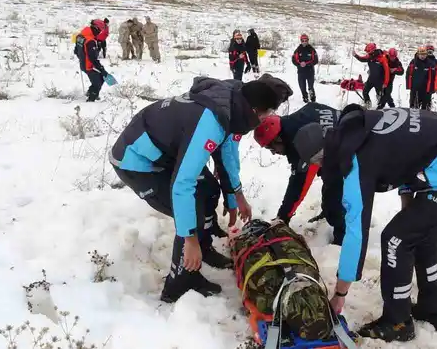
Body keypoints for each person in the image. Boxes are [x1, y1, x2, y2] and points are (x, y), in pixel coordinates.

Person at [291, 105, 437, 342]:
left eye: (317, 164)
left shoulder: (356, 160)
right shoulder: (359, 130)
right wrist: (408, 208)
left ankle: (398, 322)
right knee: (419, 233)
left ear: (322, 155)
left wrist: (340, 294)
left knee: (395, 239)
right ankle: (431, 308)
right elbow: (406, 157)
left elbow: (356, 231)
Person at [110, 75, 289, 303]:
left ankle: (203, 250)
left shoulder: (231, 105)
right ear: (253, 111)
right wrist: (190, 238)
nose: (263, 121)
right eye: (264, 116)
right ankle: (179, 283)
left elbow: (227, 155)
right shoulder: (211, 123)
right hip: (136, 160)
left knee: (209, 189)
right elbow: (182, 184)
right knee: (190, 210)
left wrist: (235, 197)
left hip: (164, 153)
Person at [253, 103, 344, 244]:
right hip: (347, 134)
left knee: (335, 200)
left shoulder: (300, 142)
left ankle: (342, 238)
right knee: (327, 177)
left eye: (271, 147)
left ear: (278, 138)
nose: (273, 153)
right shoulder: (305, 112)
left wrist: (283, 217)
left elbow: (298, 185)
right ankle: (329, 213)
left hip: (350, 152)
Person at [75, 21, 110, 102]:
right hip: (89, 66)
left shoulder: (80, 36)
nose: (99, 33)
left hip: (83, 63)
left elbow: (76, 51)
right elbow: (93, 58)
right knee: (98, 83)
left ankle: (90, 92)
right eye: (99, 30)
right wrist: (101, 69)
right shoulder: (90, 41)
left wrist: (82, 57)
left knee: (99, 78)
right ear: (96, 28)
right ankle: (91, 101)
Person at [354, 43, 390, 109]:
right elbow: (362, 59)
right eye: (367, 52)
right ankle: (368, 105)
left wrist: (385, 83)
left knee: (379, 96)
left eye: (368, 52)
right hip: (371, 79)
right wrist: (355, 55)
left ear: (372, 51)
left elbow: (387, 72)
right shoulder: (369, 56)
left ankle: (380, 108)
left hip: (379, 81)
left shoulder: (382, 58)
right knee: (365, 92)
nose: (367, 53)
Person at [292, 34, 318, 103]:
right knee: (302, 87)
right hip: (301, 72)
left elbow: (316, 60)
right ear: (301, 41)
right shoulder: (298, 50)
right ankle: (305, 98)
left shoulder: (312, 49)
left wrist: (307, 64)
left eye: (306, 40)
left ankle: (313, 99)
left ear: (308, 40)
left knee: (310, 87)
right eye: (303, 40)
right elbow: (293, 60)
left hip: (310, 72)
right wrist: (299, 64)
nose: (304, 42)